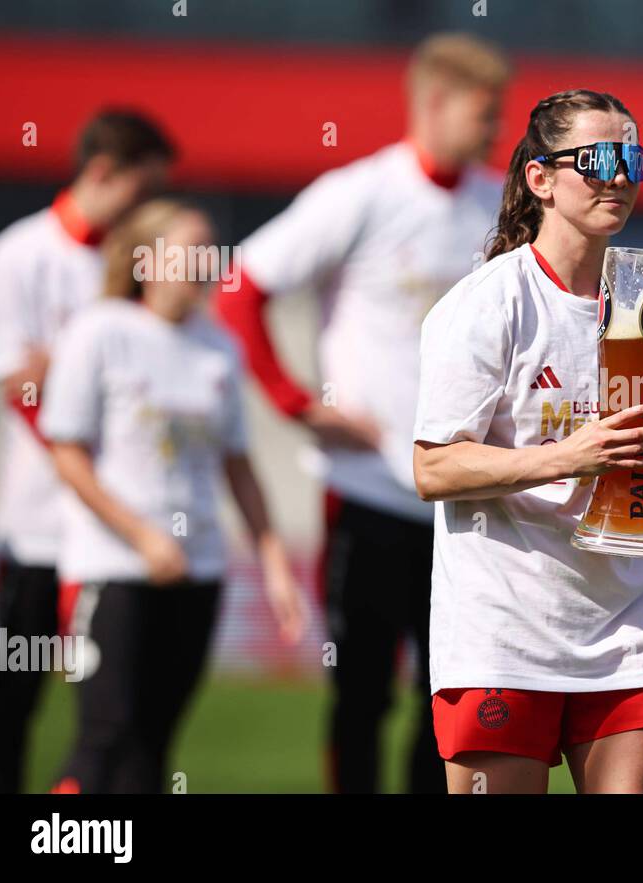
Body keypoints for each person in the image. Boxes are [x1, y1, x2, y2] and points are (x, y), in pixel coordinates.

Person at [213, 33, 509, 793]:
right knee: (362, 691)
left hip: (464, 496)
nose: (493, 130)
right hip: (369, 489)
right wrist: (293, 403)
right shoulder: (361, 193)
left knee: (451, 692)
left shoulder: (498, 205)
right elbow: (241, 285)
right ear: (435, 103)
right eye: (484, 114)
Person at [412, 89, 643, 795]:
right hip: (503, 633)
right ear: (540, 179)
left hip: (626, 629)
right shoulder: (487, 302)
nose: (621, 175)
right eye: (599, 158)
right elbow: (433, 466)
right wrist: (570, 456)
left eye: (634, 158)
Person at [38, 199, 304, 793]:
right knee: (105, 736)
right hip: (112, 569)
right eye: (193, 249)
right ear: (148, 259)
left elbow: (239, 465)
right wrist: (142, 536)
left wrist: (274, 563)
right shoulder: (100, 331)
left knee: (154, 745)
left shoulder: (217, 347)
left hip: (198, 568)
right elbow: (67, 453)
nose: (207, 263)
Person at [0, 109, 174, 793]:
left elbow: (152, 381)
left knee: (119, 707)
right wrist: (90, 433)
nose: (148, 208)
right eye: (142, 190)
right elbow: (20, 387)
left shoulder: (138, 264)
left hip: (116, 531)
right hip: (38, 523)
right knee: (15, 700)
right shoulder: (18, 255)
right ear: (101, 173)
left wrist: (60, 378)